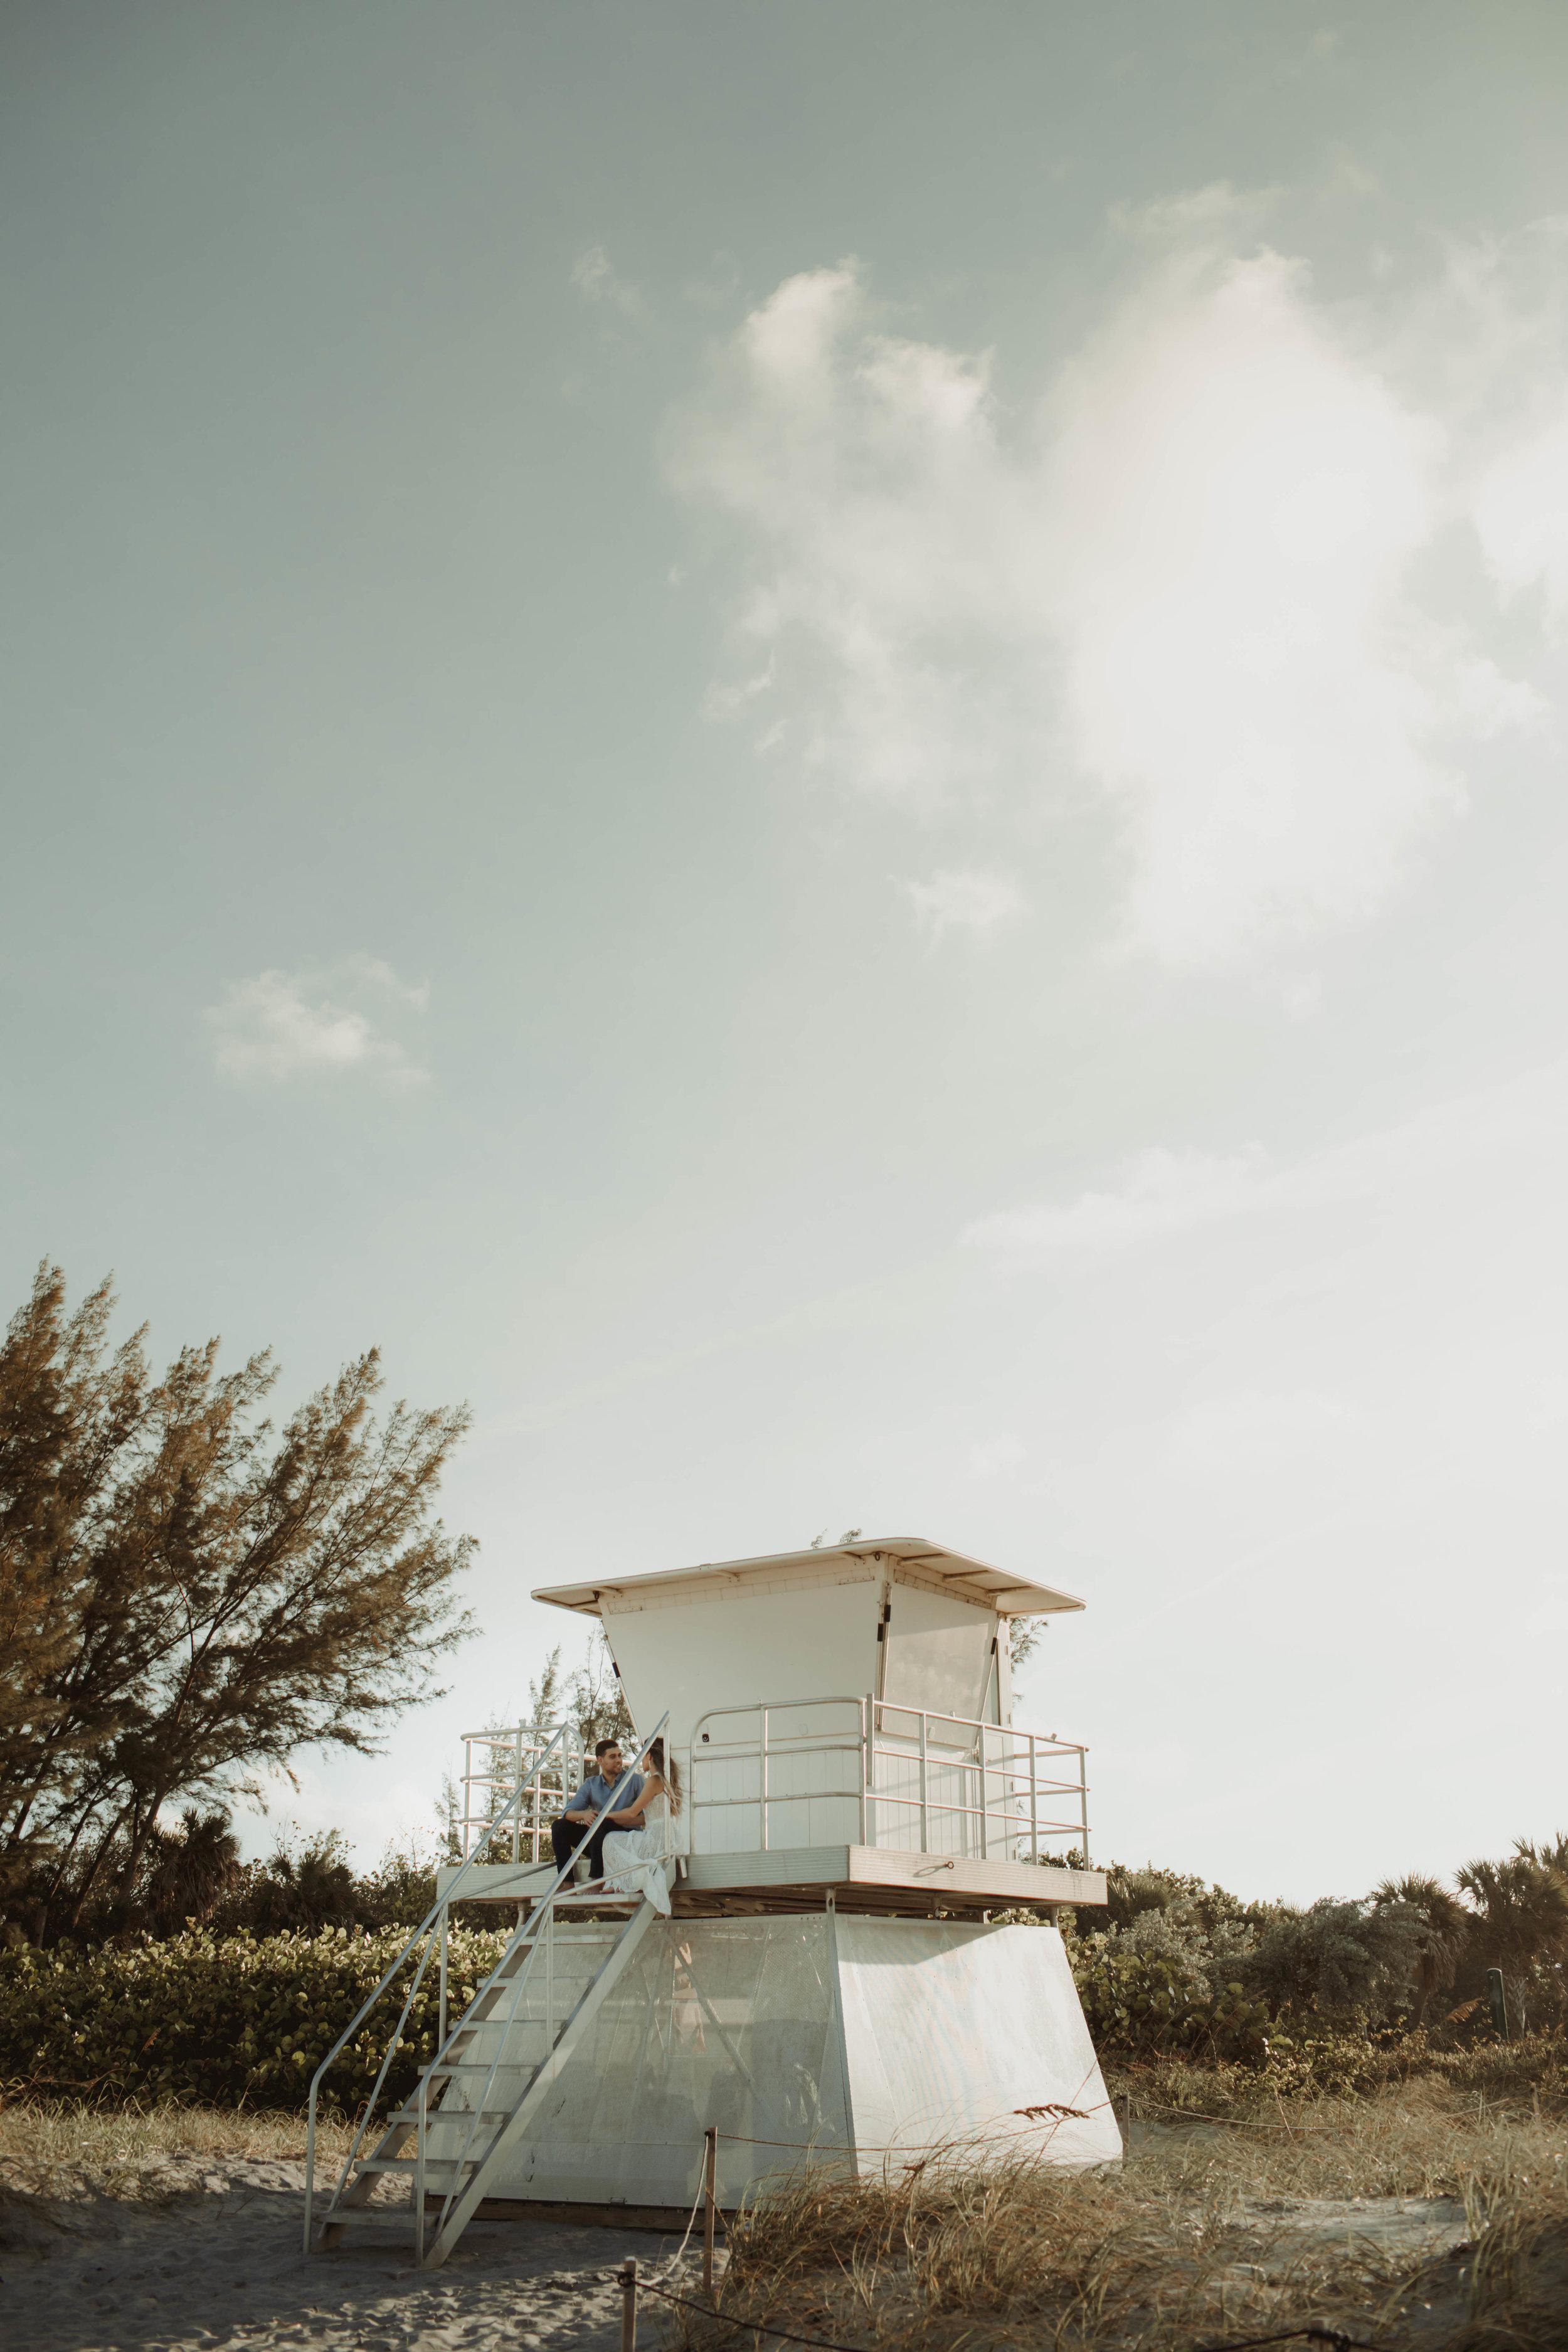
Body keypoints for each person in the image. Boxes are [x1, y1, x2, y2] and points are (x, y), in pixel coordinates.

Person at [600, 1738, 682, 1916]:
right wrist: (618, 1820)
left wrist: (604, 1816)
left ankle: (622, 1883)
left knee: (610, 1840)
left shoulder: (654, 1780)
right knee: (621, 1837)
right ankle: (625, 1882)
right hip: (663, 1835)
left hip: (656, 1839)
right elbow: (645, 1818)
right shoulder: (664, 1779)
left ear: (650, 1756)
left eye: (643, 1754)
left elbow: (632, 1812)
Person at [551, 1739, 643, 1884]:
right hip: (598, 1842)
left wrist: (616, 1819)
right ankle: (567, 1883)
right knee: (559, 1826)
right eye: (613, 1757)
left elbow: (646, 1818)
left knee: (603, 1822)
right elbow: (568, 1813)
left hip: (626, 1839)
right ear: (600, 1760)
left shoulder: (635, 1780)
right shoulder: (591, 1784)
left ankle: (596, 1881)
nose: (619, 1760)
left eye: (620, 1755)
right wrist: (584, 1814)